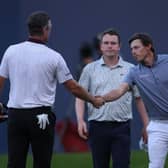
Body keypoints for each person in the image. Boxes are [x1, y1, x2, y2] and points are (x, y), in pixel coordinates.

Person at [0, 11, 104, 168]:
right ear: (45, 29)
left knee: (14, 163)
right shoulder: (53, 57)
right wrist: (93, 99)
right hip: (41, 116)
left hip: (16, 116)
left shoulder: (11, 51)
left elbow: (0, 80)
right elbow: (73, 87)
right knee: (42, 164)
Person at [75, 28, 148, 168]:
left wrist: (146, 125)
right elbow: (80, 97)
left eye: (113, 43)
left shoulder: (131, 69)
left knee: (122, 165)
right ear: (101, 46)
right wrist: (80, 120)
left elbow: (139, 99)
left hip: (122, 126)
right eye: (106, 43)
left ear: (119, 46)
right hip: (97, 126)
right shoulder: (89, 69)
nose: (109, 46)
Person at [102, 33, 168, 168]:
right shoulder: (134, 72)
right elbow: (119, 91)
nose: (133, 52)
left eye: (136, 48)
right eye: (131, 49)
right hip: (158, 125)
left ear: (148, 46)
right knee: (155, 165)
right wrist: (101, 99)